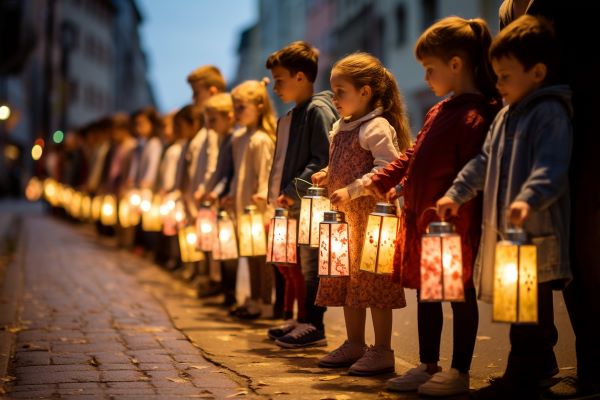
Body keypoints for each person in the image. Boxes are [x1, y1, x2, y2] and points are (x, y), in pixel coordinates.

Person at [362, 16, 501, 396]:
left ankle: (458, 371)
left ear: (455, 65)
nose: (425, 78)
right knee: (428, 293)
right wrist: (386, 181)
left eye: (429, 69)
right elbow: (414, 156)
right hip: (423, 223)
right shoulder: (439, 111)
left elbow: (475, 168)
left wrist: (453, 199)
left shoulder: (476, 116)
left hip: (454, 226)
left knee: (457, 295)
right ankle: (427, 365)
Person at [436, 15, 573, 399]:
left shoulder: (549, 112)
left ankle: (523, 377)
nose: (498, 85)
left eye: (505, 76)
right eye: (495, 75)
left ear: (537, 72)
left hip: (535, 234)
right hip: (510, 235)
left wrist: (528, 199)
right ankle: (533, 370)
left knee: (527, 313)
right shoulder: (506, 117)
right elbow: (483, 161)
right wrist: (456, 193)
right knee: (520, 309)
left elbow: (551, 165)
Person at [499, 2, 600, 399]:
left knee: (581, 255)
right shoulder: (510, 5)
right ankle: (529, 360)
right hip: (524, 136)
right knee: (518, 262)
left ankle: (593, 367)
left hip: (582, 126)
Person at [312, 52, 411, 376]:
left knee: (375, 284)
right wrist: (329, 173)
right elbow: (346, 161)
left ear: (365, 92)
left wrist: (352, 189)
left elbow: (388, 168)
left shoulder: (376, 126)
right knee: (349, 282)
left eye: (341, 91)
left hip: (371, 221)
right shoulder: (342, 126)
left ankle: (382, 349)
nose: (334, 98)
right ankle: (355, 343)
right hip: (346, 221)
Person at [264, 41, 338, 347]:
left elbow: (323, 157)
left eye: (280, 80)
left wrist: (294, 189)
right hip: (295, 203)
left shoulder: (317, 111)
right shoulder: (296, 113)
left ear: (300, 77)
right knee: (298, 264)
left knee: (311, 266)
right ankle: (300, 319)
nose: (276, 87)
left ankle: (313, 325)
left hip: (310, 203)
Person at [223, 80, 276, 319]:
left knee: (262, 258)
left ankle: (265, 302)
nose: (236, 113)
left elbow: (265, 172)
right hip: (243, 206)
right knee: (250, 255)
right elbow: (238, 174)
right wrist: (232, 195)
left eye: (241, 107)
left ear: (259, 106)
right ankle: (253, 298)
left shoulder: (262, 139)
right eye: (235, 108)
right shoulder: (238, 139)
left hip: (257, 207)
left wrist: (263, 195)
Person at [202, 93, 237, 307]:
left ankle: (230, 293)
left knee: (228, 249)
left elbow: (229, 173)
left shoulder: (233, 139)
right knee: (221, 248)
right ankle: (226, 290)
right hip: (220, 198)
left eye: (213, 119)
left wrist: (217, 191)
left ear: (229, 117)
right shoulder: (223, 140)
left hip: (227, 199)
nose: (209, 124)